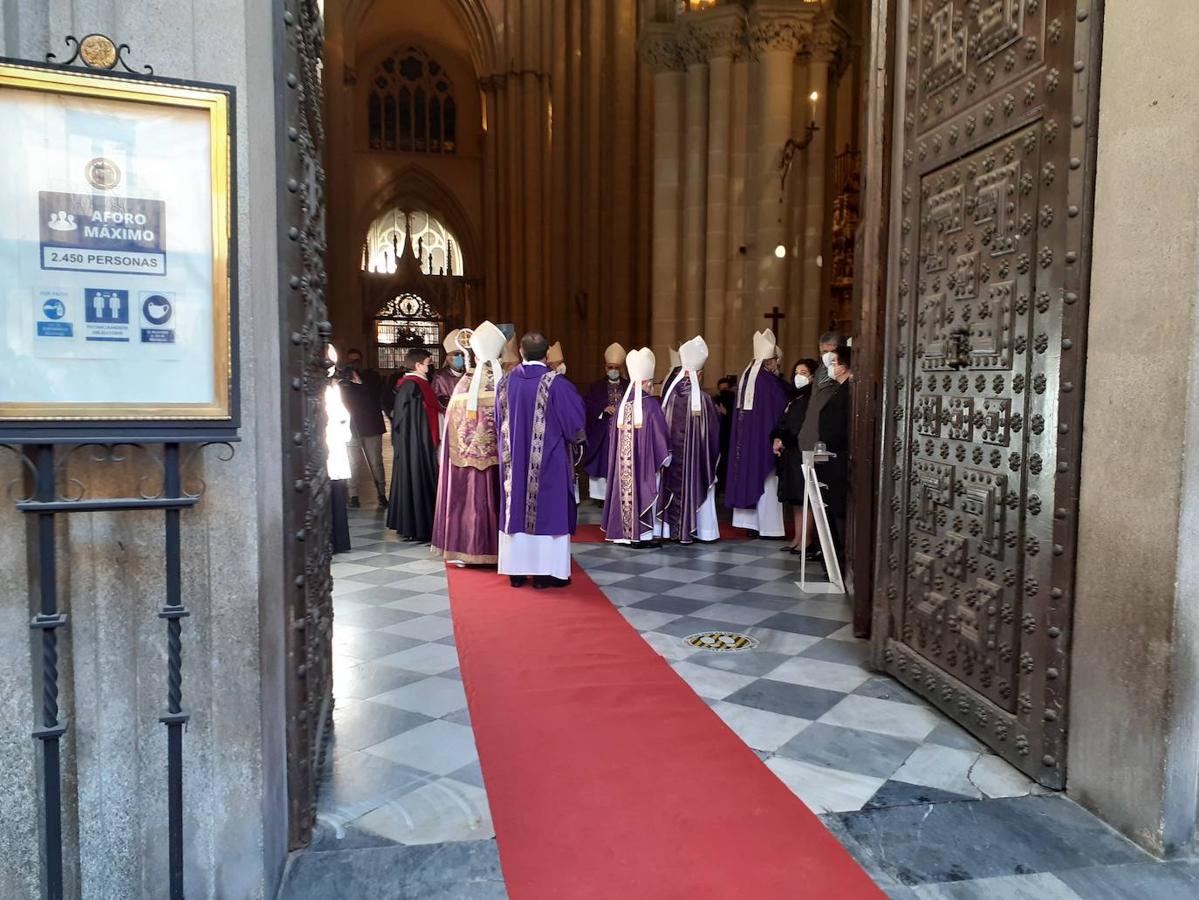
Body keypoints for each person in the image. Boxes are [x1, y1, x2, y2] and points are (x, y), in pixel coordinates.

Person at [496, 331, 587, 588]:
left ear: (521, 353)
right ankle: (546, 574)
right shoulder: (557, 384)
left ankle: (516, 572)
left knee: (516, 511)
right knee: (549, 511)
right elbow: (576, 424)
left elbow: (496, 422)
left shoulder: (505, 383)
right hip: (549, 465)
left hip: (513, 465)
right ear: (547, 354)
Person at [432, 321, 506, 566]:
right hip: (500, 460)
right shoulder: (505, 384)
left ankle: (463, 548)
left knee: (468, 499)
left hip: (465, 459)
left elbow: (452, 421)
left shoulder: (464, 383)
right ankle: (502, 550)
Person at [601, 348, 670, 546]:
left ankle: (622, 534)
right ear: (647, 383)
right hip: (644, 467)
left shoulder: (622, 405)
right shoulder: (651, 406)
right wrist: (666, 456)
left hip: (623, 470)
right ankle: (643, 535)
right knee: (646, 487)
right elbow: (661, 438)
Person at [726, 329, 788, 537]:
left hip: (746, 442)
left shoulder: (747, 376)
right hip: (764, 442)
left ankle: (751, 525)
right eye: (775, 361)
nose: (777, 365)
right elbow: (780, 407)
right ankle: (769, 528)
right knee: (768, 483)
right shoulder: (768, 381)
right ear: (769, 361)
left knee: (748, 475)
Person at [659, 336, 721, 544]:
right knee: (696, 482)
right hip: (694, 462)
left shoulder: (669, 396)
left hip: (671, 460)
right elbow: (713, 433)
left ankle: (671, 530)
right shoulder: (702, 399)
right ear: (699, 374)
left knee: (671, 487)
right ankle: (702, 530)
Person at [802, 345, 853, 564]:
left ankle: (840, 559)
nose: (831, 367)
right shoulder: (838, 389)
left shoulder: (849, 391)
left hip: (839, 458)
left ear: (843, 367)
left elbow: (840, 427)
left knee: (839, 511)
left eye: (834, 362)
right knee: (830, 509)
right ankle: (832, 557)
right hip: (830, 455)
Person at [386, 348, 440, 542]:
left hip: (415, 442)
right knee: (417, 477)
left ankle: (417, 525)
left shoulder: (413, 384)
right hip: (416, 444)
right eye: (428, 363)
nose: (430, 366)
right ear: (418, 365)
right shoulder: (413, 386)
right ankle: (419, 527)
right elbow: (411, 418)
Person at [771, 358, 820, 553]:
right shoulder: (795, 398)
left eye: (804, 373)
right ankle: (797, 537)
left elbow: (800, 426)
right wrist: (776, 437)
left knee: (804, 498)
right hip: (790, 454)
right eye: (797, 372)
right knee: (795, 500)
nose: (799, 376)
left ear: (813, 376)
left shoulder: (811, 398)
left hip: (801, 452)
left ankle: (807, 539)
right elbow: (784, 422)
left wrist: (784, 439)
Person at [339, 348, 388, 509]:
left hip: (371, 425)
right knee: (353, 462)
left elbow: (375, 395)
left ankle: (381, 494)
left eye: (356, 360)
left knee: (376, 462)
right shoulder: (342, 379)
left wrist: (358, 381)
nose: (353, 364)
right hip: (351, 426)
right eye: (351, 360)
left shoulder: (371, 376)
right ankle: (353, 495)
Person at [582, 343, 628, 501]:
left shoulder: (628, 386)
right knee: (602, 462)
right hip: (603, 433)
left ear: (621, 368)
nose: (613, 370)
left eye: (616, 367)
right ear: (605, 368)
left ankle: (619, 495)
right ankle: (601, 497)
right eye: (610, 367)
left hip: (624, 434)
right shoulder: (596, 387)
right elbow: (587, 405)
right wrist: (602, 408)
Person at [325, 347, 354, 553]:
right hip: (328, 445)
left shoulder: (332, 391)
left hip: (334, 445)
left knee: (335, 489)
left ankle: (337, 539)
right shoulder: (326, 391)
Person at [714, 374, 737, 489]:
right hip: (719, 436)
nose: (724, 392)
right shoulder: (716, 399)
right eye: (722, 390)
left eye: (726, 389)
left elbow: (735, 418)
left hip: (730, 435)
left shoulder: (734, 400)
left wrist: (725, 412)